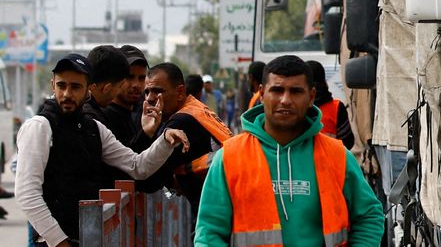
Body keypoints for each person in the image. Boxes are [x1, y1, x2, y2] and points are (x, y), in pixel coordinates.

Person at [194, 55, 383, 247]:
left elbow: (369, 216)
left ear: (311, 97)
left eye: (296, 91)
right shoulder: (230, 157)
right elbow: (209, 233)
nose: (285, 100)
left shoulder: (337, 156)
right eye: (277, 90)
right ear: (262, 94)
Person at [16, 54, 190, 246]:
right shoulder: (39, 127)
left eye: (75, 87)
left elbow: (137, 166)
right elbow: (27, 193)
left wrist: (165, 141)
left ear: (88, 89)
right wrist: (59, 241)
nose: (66, 94)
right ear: (52, 85)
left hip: (88, 238)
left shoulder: (94, 129)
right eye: (61, 85)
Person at [139, 63, 232, 218]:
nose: (150, 98)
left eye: (158, 91)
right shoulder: (195, 108)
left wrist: (146, 133)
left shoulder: (180, 122)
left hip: (217, 211)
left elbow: (147, 178)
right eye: (147, 92)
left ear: (180, 92)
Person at [81, 45, 133, 144]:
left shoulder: (77, 108)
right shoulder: (93, 123)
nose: (119, 92)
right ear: (107, 88)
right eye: (120, 86)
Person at [305, 60, 354, 149]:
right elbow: (348, 142)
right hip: (331, 157)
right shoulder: (337, 107)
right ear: (324, 80)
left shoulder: (295, 108)